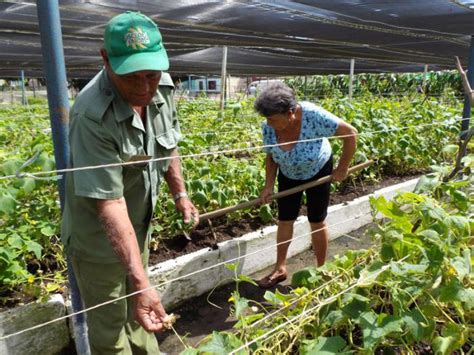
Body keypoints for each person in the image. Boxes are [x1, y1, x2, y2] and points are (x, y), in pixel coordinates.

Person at [60, 11, 199, 354]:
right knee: (110, 331)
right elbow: (109, 203)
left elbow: (168, 144)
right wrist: (140, 283)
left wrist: (179, 193)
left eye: (151, 75)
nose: (144, 87)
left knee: (140, 316)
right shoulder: (91, 113)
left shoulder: (161, 88)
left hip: (137, 229)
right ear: (105, 59)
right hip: (98, 242)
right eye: (131, 77)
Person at [254, 82, 357, 288]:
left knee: (316, 220)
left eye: (274, 119)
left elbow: (351, 133)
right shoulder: (269, 126)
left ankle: (321, 270)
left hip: (318, 169)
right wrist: (268, 186)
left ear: (291, 112)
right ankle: (280, 268)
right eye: (267, 119)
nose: (270, 124)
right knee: (285, 220)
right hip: (289, 173)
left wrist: (342, 168)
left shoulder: (312, 116)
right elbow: (272, 157)